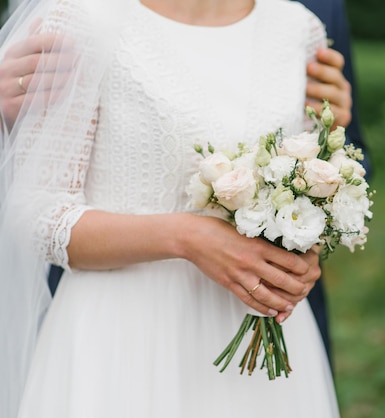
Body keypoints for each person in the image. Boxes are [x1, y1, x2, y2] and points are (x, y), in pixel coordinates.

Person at [0, 0, 344, 417]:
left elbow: (309, 181)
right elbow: (40, 214)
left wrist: (304, 250)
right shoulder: (84, 19)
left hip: (256, 343)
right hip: (123, 343)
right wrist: (187, 236)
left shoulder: (298, 28)